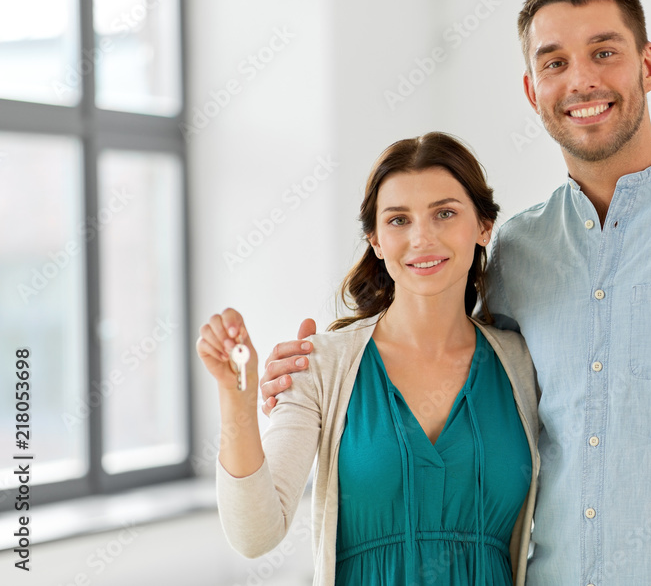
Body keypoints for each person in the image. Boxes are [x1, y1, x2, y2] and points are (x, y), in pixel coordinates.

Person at [260, 0, 651, 585]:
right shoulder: (518, 249)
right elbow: (455, 371)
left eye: (605, 53)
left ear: (648, 65)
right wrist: (316, 381)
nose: (582, 80)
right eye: (555, 63)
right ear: (531, 89)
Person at [197, 132, 540, 586]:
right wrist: (235, 401)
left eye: (445, 213)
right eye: (399, 220)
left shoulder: (520, 362)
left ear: (483, 227)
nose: (422, 237)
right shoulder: (321, 366)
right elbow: (255, 535)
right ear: (375, 240)